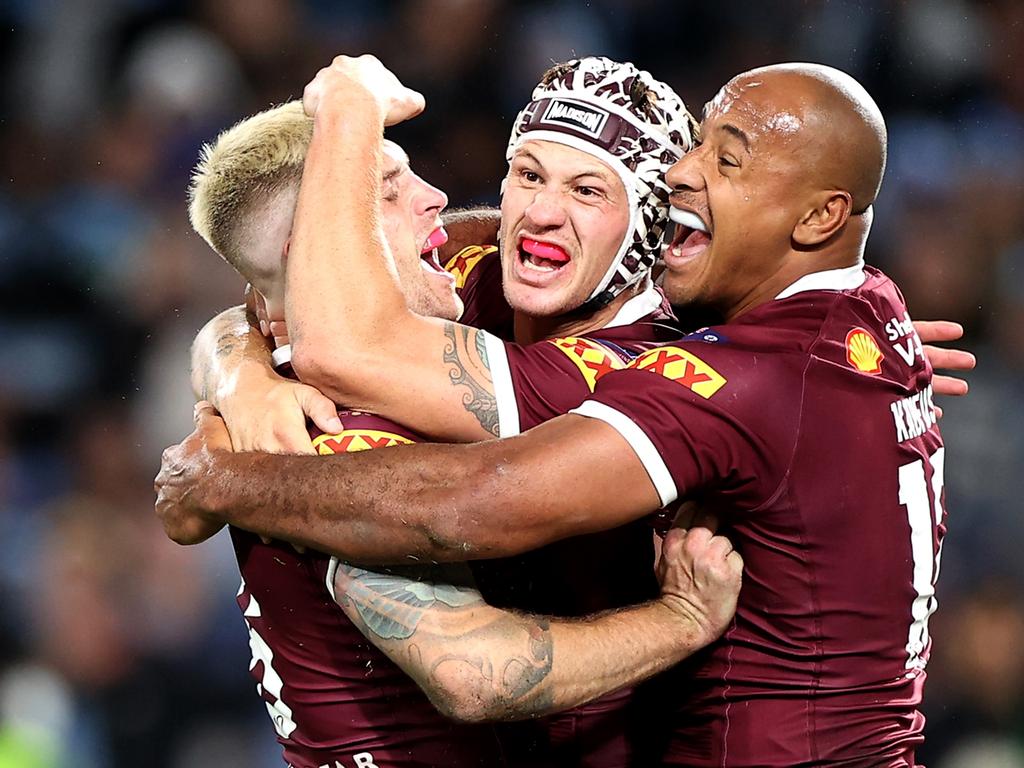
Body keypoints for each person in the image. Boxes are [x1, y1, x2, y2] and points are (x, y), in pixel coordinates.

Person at [158, 62, 951, 765]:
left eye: (587, 189)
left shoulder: (679, 366)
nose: (686, 174)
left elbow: (467, 500)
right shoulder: (464, 291)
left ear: (639, 227)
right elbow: (284, 301)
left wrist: (227, 479)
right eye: (527, 175)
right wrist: (239, 360)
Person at [183, 94, 740, 767]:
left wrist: (235, 366)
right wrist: (681, 619)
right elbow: (471, 671)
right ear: (315, 255)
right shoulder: (331, 429)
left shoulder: (332, 365)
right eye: (387, 192)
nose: (433, 198)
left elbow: (258, 305)